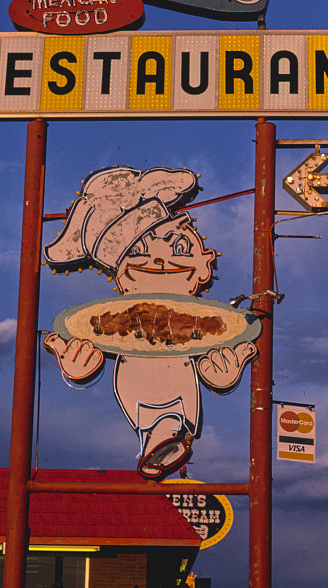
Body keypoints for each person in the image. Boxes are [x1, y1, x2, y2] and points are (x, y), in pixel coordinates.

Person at [43, 166, 258, 480]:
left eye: (179, 247)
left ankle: (166, 433)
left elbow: (214, 362)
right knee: (157, 407)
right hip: (138, 384)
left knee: (170, 408)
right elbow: (87, 350)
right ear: (120, 275)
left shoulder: (206, 323)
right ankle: (160, 435)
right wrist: (78, 363)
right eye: (139, 252)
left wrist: (221, 373)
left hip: (179, 383)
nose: (159, 261)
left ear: (205, 264)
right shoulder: (109, 323)